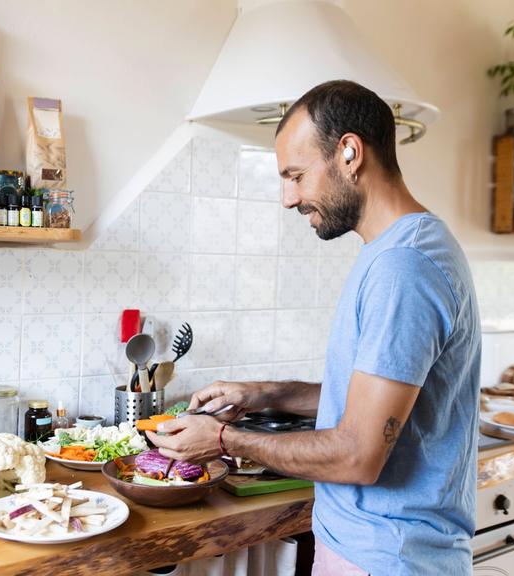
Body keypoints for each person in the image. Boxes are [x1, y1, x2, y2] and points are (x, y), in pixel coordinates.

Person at [147, 80, 481, 576]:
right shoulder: (398, 250)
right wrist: (266, 394)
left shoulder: (404, 267)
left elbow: (357, 455)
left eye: (296, 175)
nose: (288, 198)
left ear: (349, 152)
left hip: (386, 559)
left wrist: (222, 440)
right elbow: (379, 400)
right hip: (375, 550)